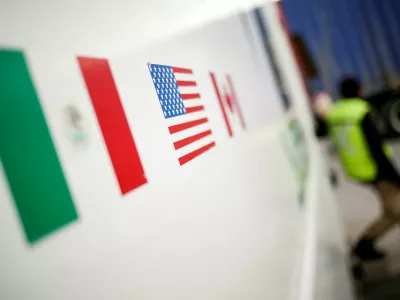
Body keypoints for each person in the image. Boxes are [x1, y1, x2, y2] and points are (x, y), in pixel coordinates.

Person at [325, 77, 400, 261]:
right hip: (374, 169)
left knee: (391, 211)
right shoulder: (361, 111)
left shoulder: (335, 113)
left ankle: (365, 245)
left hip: (355, 169)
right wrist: (394, 176)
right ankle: (363, 246)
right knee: (396, 209)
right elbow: (375, 147)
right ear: (360, 90)